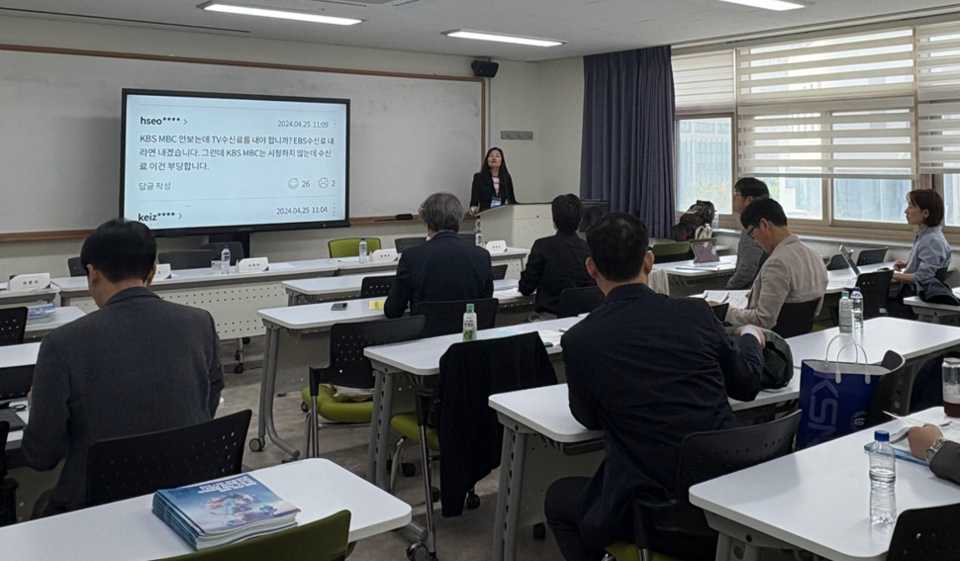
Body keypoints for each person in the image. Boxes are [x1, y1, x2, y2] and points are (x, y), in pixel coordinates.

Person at [544, 213, 766, 561]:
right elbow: (747, 385)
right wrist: (752, 337)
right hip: (729, 501)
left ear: (591, 268)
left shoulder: (580, 340)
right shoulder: (695, 314)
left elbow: (588, 418)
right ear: (649, 261)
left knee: (558, 499)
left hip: (659, 517)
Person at [21, 219, 224, 516]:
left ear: (92, 273)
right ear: (152, 273)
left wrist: (38, 403)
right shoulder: (199, 322)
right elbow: (207, 404)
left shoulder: (62, 343)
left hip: (96, 505)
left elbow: (41, 456)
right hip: (185, 492)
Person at [722, 198, 828, 330]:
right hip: (800, 339)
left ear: (764, 224)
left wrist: (725, 312)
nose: (754, 241)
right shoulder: (815, 256)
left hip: (768, 342)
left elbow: (763, 320)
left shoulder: (777, 263)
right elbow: (815, 312)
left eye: (752, 234)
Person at [384, 193, 494, 318]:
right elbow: (486, 305)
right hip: (468, 333)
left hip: (425, 334)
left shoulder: (412, 257)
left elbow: (392, 310)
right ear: (459, 219)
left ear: (427, 221)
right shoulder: (482, 256)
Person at [517, 194, 594, 317]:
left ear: (554, 220)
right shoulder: (588, 249)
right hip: (581, 320)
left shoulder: (542, 246)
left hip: (549, 317)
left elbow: (526, 289)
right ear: (579, 221)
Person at [893, 189, 951, 290]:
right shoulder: (926, 235)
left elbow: (921, 277)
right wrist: (909, 264)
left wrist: (890, 275)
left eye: (910, 207)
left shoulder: (932, 240)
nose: (906, 211)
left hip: (916, 297)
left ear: (925, 213)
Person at [726, 177, 769, 290]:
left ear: (749, 199)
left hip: (750, 292)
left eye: (737, 194)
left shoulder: (753, 226)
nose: (734, 198)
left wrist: (728, 289)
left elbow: (747, 270)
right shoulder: (770, 222)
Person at [469, 147, 517, 214]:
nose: (494, 158)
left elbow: (511, 200)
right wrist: (473, 208)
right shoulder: (479, 177)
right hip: (484, 214)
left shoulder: (506, 178)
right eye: (491, 156)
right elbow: (474, 199)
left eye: (497, 156)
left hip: (502, 215)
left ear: (502, 160)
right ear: (487, 160)